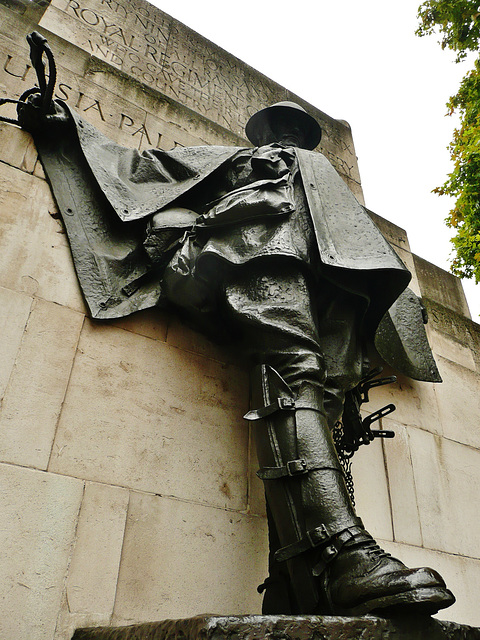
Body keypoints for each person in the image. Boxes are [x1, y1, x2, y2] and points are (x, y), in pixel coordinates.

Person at [16, 35, 454, 616]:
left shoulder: (325, 183)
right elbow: (147, 172)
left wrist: (403, 306)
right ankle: (339, 554)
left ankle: (290, 577)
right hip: (256, 254)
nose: (291, 143)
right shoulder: (237, 162)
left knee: (324, 394)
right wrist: (68, 127)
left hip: (340, 282)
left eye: (298, 135)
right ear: (266, 132)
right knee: (296, 374)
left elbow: (363, 245)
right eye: (283, 132)